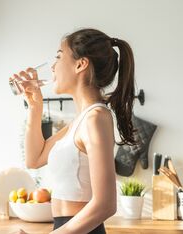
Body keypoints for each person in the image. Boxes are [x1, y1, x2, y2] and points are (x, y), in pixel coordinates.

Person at [10, 28, 137, 234]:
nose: (52, 67)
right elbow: (34, 159)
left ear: (80, 64)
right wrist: (35, 108)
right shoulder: (80, 121)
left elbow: (106, 205)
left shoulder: (96, 118)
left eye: (59, 57)